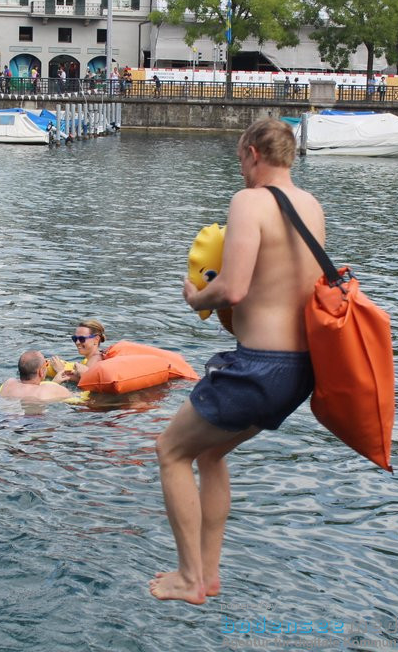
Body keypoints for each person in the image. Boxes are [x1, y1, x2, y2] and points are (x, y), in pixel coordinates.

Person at [149, 118, 324, 605]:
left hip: (259, 367)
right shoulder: (311, 206)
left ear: (251, 153)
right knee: (210, 453)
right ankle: (207, 573)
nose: (240, 169)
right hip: (298, 371)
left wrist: (195, 297)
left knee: (170, 451)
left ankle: (188, 577)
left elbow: (235, 288)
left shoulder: (249, 202)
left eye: (240, 159)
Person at [0, 351, 73, 402]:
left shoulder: (8, 383)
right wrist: (62, 371)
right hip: (34, 423)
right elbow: (79, 398)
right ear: (40, 371)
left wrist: (54, 383)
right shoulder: (52, 389)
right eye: (46, 364)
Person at [49, 319, 106, 385]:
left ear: (96, 339)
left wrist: (60, 370)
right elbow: (82, 379)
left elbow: (88, 386)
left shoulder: (94, 362)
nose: (77, 342)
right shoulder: (97, 356)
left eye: (82, 339)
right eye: (75, 338)